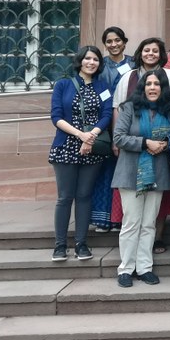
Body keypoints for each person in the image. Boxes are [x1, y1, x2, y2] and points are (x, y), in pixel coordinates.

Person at [111, 69, 170, 287]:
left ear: (163, 87)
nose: (153, 87)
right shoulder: (129, 108)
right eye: (149, 84)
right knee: (131, 223)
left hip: (157, 171)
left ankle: (144, 267)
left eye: (157, 84)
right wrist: (146, 143)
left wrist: (164, 145)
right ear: (142, 87)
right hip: (130, 172)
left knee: (149, 224)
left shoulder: (169, 110)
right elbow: (119, 137)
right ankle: (126, 269)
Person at [49, 45, 113, 262]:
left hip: (93, 147)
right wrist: (80, 135)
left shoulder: (103, 87)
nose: (91, 62)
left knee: (85, 196)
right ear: (80, 61)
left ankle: (81, 244)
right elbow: (56, 117)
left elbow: (106, 115)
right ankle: (59, 246)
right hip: (66, 146)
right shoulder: (63, 85)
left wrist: (91, 137)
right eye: (87, 58)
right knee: (65, 197)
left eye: (95, 59)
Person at [90, 26, 133, 233]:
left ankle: (120, 219)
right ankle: (102, 219)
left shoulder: (133, 63)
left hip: (130, 123)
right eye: (109, 41)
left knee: (124, 173)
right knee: (105, 171)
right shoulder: (99, 65)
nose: (114, 44)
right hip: (104, 122)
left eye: (117, 40)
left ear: (124, 42)